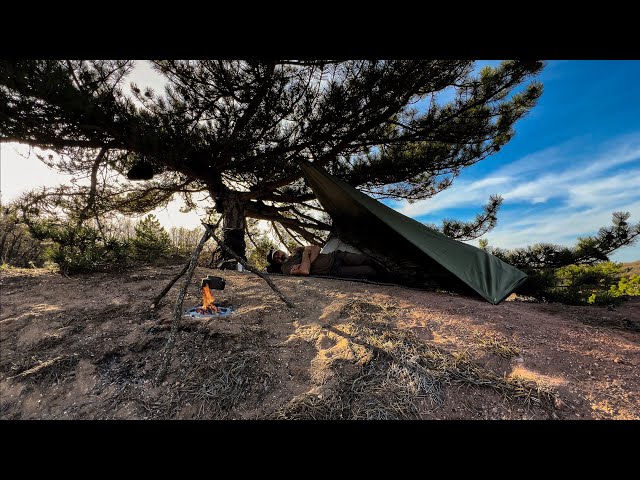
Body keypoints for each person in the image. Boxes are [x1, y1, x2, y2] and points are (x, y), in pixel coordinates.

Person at [266, 245, 388, 280]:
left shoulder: (297, 250)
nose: (278, 256)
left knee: (366, 259)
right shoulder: (286, 268)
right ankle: (390, 279)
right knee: (368, 270)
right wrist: (305, 255)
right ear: (276, 262)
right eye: (275, 257)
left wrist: (306, 260)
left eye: (277, 252)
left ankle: (389, 271)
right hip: (333, 271)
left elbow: (316, 248)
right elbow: (305, 271)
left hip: (336, 256)